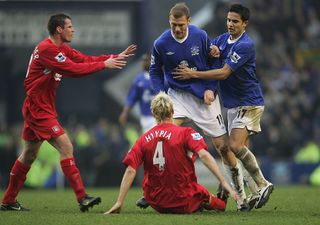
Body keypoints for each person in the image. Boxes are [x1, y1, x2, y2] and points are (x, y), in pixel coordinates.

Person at [0, 13, 136, 212]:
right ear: (59, 30)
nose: (73, 30)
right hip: (39, 109)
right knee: (66, 147)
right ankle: (82, 197)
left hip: (39, 107)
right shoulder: (46, 49)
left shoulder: (60, 48)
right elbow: (73, 70)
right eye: (69, 26)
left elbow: (83, 59)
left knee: (28, 154)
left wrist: (113, 57)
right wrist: (103, 65)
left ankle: (8, 200)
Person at [147, 2, 250, 210]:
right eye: (173, 24)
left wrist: (211, 88)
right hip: (177, 96)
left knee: (223, 146)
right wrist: (160, 92)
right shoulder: (160, 43)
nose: (177, 29)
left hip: (204, 95)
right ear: (170, 22)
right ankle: (157, 188)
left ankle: (241, 195)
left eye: (181, 25)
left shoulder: (201, 36)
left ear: (189, 22)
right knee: (163, 139)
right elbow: (155, 70)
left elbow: (214, 62)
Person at [173, 4, 274, 209]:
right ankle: (246, 197)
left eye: (235, 21)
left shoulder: (245, 45)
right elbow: (209, 54)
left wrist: (193, 75)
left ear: (244, 24)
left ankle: (263, 184)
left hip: (250, 102)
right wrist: (211, 51)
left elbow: (224, 73)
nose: (230, 24)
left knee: (235, 146)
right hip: (232, 105)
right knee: (234, 148)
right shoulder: (221, 39)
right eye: (229, 20)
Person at [104, 92, 237, 214]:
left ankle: (196, 202)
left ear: (154, 114)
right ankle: (216, 199)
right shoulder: (186, 133)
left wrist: (119, 202)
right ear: (173, 111)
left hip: (157, 202)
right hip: (184, 199)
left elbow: (130, 170)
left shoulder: (143, 139)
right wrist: (223, 181)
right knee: (215, 203)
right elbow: (203, 155)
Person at [119, 54, 156, 133]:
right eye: (143, 61)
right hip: (145, 117)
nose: (143, 63)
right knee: (149, 142)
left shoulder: (160, 77)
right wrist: (124, 113)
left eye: (146, 60)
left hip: (159, 117)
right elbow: (131, 98)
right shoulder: (138, 80)